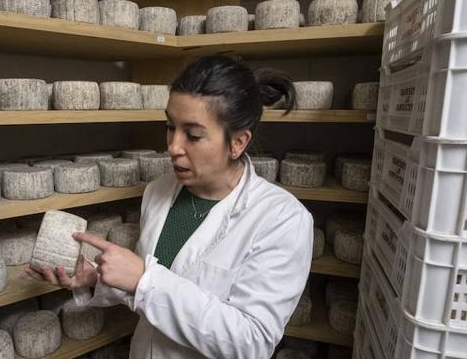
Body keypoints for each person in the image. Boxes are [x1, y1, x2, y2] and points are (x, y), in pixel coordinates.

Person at [26, 55, 314, 359]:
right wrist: (95, 279)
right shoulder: (159, 191)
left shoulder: (282, 220)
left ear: (238, 142)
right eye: (169, 126)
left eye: (192, 135)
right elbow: (148, 295)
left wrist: (144, 280)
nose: (173, 147)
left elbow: (252, 341)